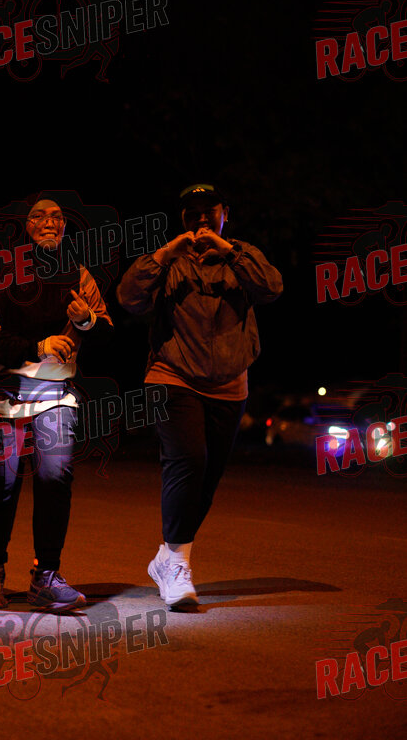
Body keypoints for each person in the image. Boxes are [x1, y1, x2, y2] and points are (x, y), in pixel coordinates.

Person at [116, 183, 283, 608]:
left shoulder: (241, 256)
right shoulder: (168, 261)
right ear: (182, 219)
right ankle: (177, 565)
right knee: (188, 460)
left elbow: (272, 288)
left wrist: (229, 252)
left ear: (225, 214)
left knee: (206, 478)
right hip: (172, 375)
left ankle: (168, 557)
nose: (201, 219)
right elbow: (128, 297)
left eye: (210, 211)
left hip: (229, 384)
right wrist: (163, 254)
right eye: (192, 213)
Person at [0, 197, 113, 611]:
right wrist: (37, 347)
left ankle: (46, 576)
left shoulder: (78, 275)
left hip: (53, 394)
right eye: (39, 216)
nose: (50, 222)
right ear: (24, 227)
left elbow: (106, 332)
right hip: (0, 396)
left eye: (57, 217)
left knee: (55, 479)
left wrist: (86, 321)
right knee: (3, 484)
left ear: (65, 228)